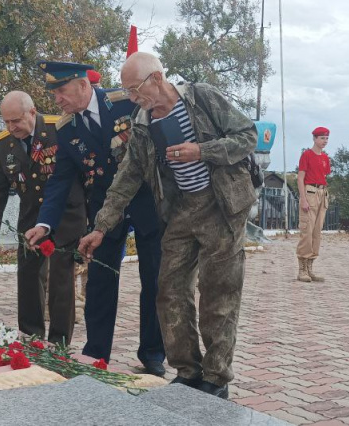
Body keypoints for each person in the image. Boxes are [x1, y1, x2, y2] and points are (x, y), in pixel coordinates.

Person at [78, 52, 257, 399]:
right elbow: (127, 175)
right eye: (128, 92)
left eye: (134, 90)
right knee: (168, 291)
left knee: (218, 293)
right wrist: (101, 226)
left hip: (222, 207)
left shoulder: (202, 97)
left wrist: (202, 151)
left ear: (156, 79)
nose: (132, 98)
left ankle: (216, 378)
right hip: (180, 211)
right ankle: (188, 371)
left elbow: (247, 135)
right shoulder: (141, 120)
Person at [23, 61, 166, 376]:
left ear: (82, 84)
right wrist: (44, 223)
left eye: (61, 91)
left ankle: (153, 354)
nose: (56, 99)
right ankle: (96, 353)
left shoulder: (126, 103)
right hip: (104, 213)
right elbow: (60, 180)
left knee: (154, 279)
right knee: (100, 282)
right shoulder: (66, 128)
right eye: (54, 93)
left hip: (146, 205)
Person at [0, 91, 86, 345]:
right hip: (30, 219)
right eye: (5, 121)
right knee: (28, 279)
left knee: (61, 280)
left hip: (66, 215)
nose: (11, 126)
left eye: (15, 120)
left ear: (32, 112)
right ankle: (31, 338)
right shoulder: (3, 143)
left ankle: (60, 342)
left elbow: (83, 173)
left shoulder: (59, 128)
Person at [296, 126, 331, 282]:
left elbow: (324, 175)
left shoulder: (325, 157)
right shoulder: (307, 155)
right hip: (309, 193)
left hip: (322, 193)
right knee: (307, 231)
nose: (325, 141)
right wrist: (303, 198)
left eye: (327, 138)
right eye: (322, 138)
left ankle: (310, 267)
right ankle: (302, 269)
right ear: (315, 139)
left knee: (317, 233)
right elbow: (300, 178)